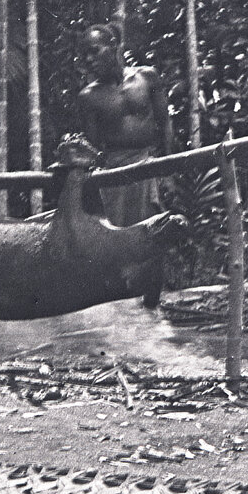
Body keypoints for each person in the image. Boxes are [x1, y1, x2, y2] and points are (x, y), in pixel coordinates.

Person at [75, 23, 174, 308]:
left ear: (115, 45)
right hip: (115, 173)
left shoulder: (147, 78)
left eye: (95, 51)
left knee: (155, 236)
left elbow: (164, 122)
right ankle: (119, 309)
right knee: (118, 240)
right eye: (86, 56)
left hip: (148, 164)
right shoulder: (89, 97)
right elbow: (94, 148)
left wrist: (166, 167)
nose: (90, 60)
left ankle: (152, 306)